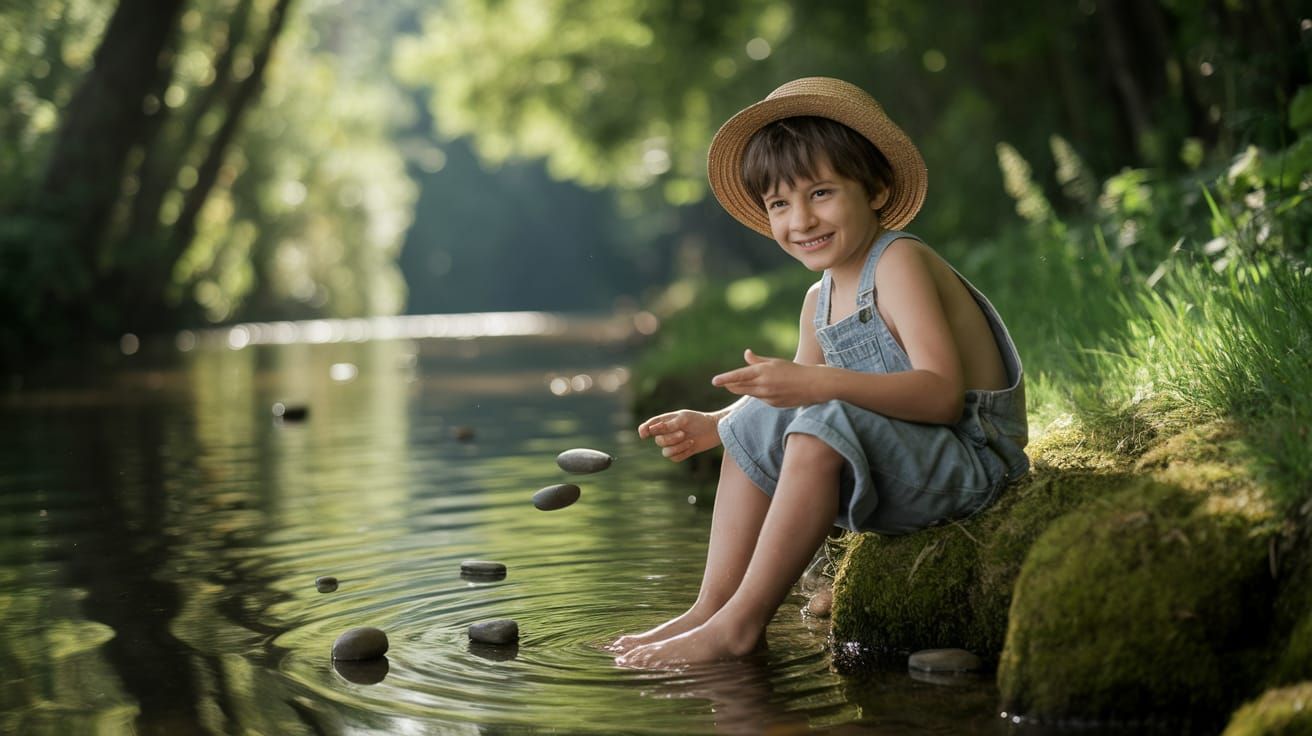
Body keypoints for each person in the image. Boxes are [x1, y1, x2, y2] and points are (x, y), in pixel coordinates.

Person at [610, 77, 1029, 669]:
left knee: (818, 421)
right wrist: (716, 422)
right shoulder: (820, 297)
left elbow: (939, 396)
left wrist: (819, 385)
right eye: (780, 204)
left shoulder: (901, 262)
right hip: (908, 456)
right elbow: (788, 401)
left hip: (971, 460)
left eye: (822, 193)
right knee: (748, 432)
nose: (801, 219)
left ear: (877, 188)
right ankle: (711, 607)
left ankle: (740, 626)